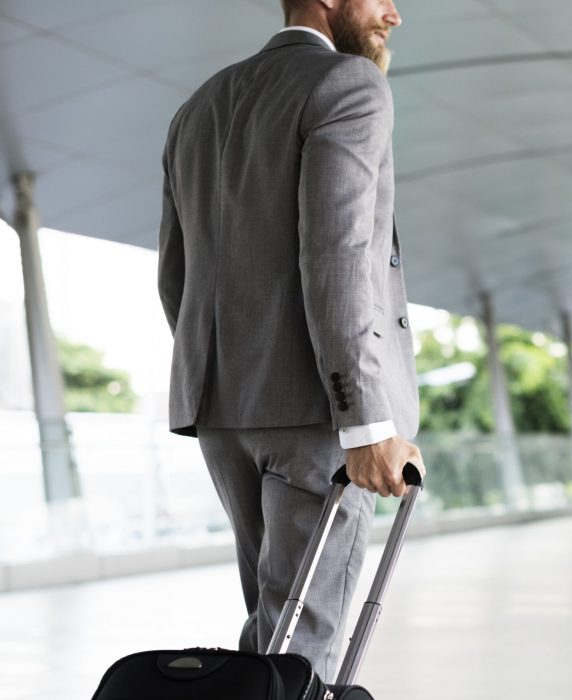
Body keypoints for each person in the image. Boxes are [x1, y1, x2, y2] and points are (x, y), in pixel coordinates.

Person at [157, 0, 422, 682]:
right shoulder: (348, 83)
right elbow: (336, 252)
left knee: (270, 640)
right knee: (305, 647)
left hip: (221, 412)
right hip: (318, 414)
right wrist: (365, 420)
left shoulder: (198, 108)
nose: (393, 13)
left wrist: (229, 379)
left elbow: (176, 278)